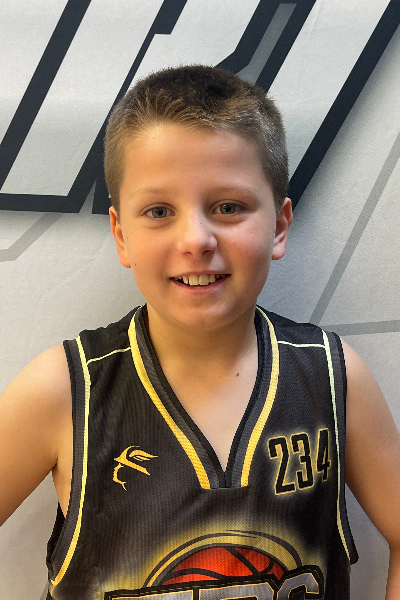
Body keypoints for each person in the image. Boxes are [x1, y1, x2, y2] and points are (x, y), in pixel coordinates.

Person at [0, 65, 399, 600]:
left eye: (228, 207)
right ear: (121, 235)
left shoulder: (333, 377)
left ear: (279, 225)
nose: (195, 239)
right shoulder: (64, 390)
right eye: (159, 211)